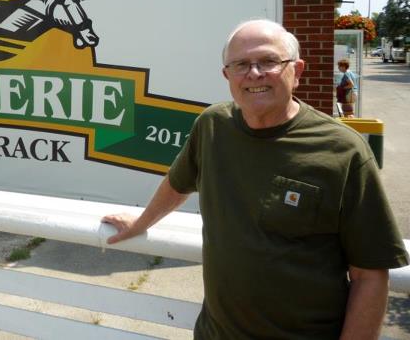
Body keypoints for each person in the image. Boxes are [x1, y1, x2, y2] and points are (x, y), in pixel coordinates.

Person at [103, 19, 408, 339]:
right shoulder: (212, 126)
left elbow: (370, 274)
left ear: (298, 70)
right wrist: (140, 224)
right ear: (227, 75)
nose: (254, 74)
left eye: (268, 61)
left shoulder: (344, 151)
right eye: (241, 64)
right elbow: (177, 184)